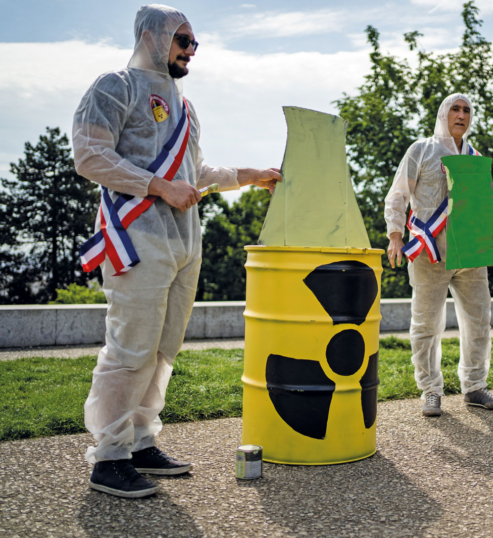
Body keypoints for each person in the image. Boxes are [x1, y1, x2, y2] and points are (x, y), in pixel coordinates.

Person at [73, 5, 281, 498]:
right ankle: (108, 456)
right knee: (130, 348)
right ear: (152, 37)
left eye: (194, 44)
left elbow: (196, 175)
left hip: (184, 243)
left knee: (163, 349)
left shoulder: (185, 108)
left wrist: (251, 176)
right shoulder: (114, 86)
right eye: (183, 41)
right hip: (136, 238)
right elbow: (90, 154)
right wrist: (158, 187)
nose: (191, 51)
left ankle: (141, 441)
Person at [385, 93, 493, 417]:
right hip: (429, 254)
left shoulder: (475, 156)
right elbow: (398, 195)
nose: (461, 114)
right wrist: (395, 236)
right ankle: (431, 390)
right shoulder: (421, 149)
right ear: (443, 113)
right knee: (426, 324)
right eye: (455, 108)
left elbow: (477, 210)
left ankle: (475, 386)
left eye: (467, 110)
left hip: (470, 253)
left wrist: (492, 194)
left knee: (479, 322)